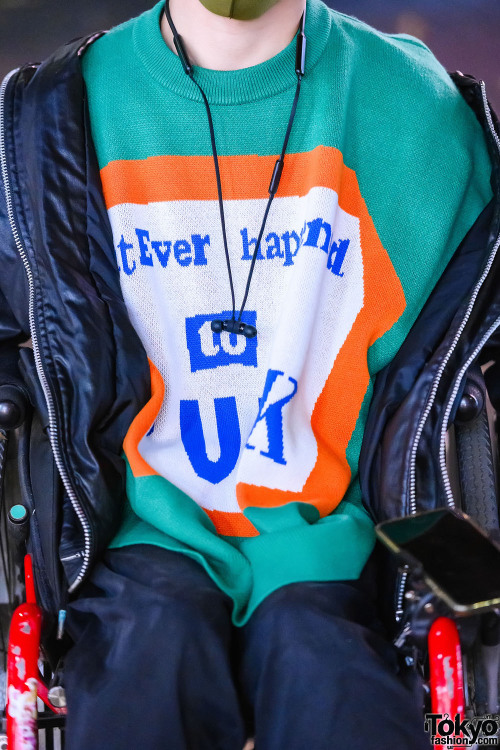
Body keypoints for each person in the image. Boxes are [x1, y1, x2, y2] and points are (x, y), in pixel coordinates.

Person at [0, 0, 495, 748]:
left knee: (332, 686)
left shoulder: (418, 113)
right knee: (146, 672)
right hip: (138, 529)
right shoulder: (51, 120)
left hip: (339, 532)